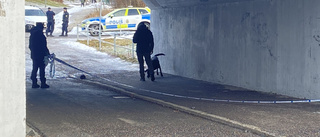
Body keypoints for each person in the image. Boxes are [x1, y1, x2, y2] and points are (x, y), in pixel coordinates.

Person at [29, 23, 50, 88]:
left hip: (34, 54)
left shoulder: (32, 35)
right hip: (41, 54)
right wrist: (47, 53)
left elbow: (30, 46)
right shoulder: (41, 35)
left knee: (35, 68)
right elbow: (43, 46)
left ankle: (34, 83)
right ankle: (43, 83)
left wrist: (33, 52)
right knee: (42, 69)